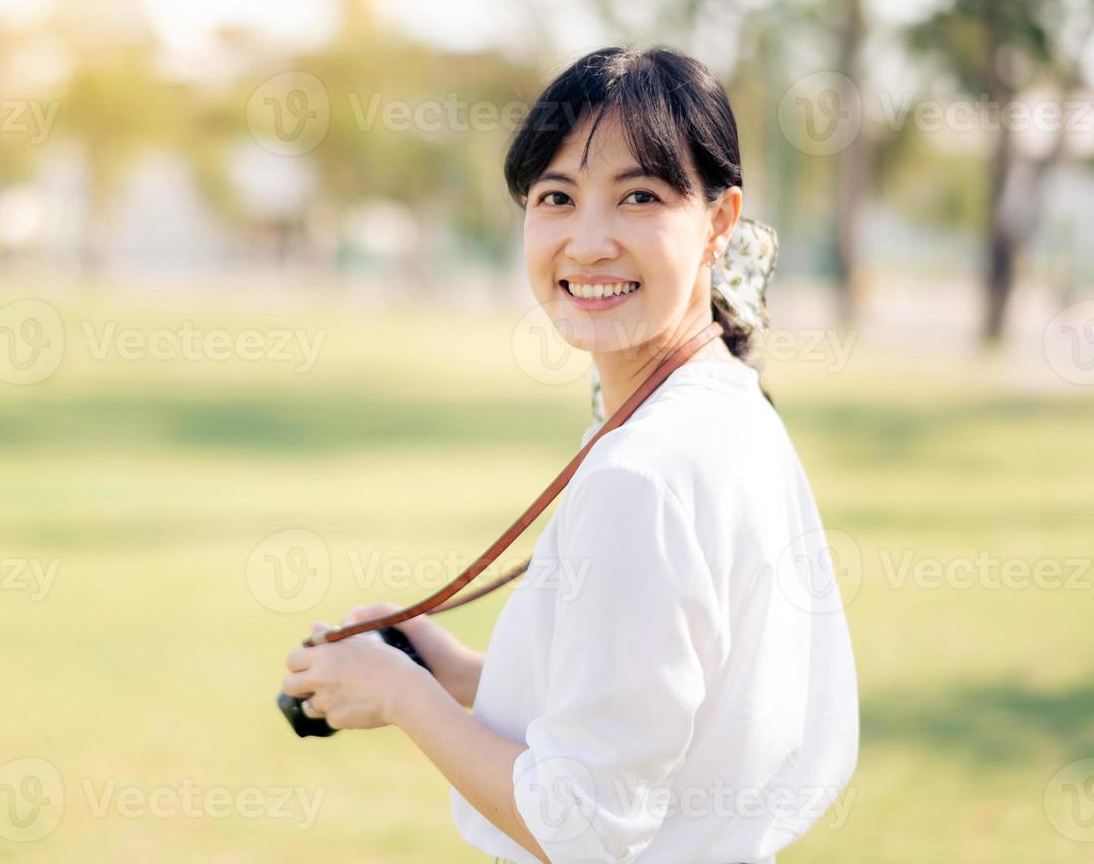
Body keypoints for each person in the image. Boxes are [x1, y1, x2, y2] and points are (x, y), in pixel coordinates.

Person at [280, 45, 859, 863]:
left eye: (639, 197)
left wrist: (399, 693)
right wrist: (450, 671)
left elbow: (586, 827)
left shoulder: (644, 475)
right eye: (557, 196)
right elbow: (640, 714)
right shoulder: (729, 408)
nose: (588, 243)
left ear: (718, 223)